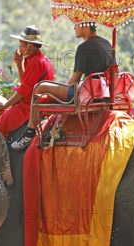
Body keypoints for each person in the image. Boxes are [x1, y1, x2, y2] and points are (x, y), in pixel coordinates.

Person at [11, 22, 112, 150]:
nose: (74, 28)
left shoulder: (85, 47)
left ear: (85, 25)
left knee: (40, 87)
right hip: (101, 92)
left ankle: (29, 133)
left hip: (86, 94)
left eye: (76, 24)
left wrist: (60, 90)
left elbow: (74, 80)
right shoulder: (106, 43)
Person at [0, 26, 55, 139]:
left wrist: (4, 105)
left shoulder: (35, 62)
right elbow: (25, 82)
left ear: (29, 45)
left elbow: (24, 89)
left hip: (29, 106)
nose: (19, 46)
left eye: (21, 43)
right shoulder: (38, 58)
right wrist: (19, 65)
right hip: (34, 102)